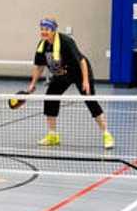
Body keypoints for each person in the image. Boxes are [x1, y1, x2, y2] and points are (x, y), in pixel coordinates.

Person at [27, 17, 114, 149]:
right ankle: (52, 135)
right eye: (42, 29)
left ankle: (107, 134)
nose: (44, 32)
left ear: (53, 30)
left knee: (90, 99)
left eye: (47, 29)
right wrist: (33, 84)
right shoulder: (43, 45)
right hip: (62, 74)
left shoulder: (66, 41)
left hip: (79, 72)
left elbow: (82, 61)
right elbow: (39, 66)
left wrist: (85, 81)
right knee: (50, 97)